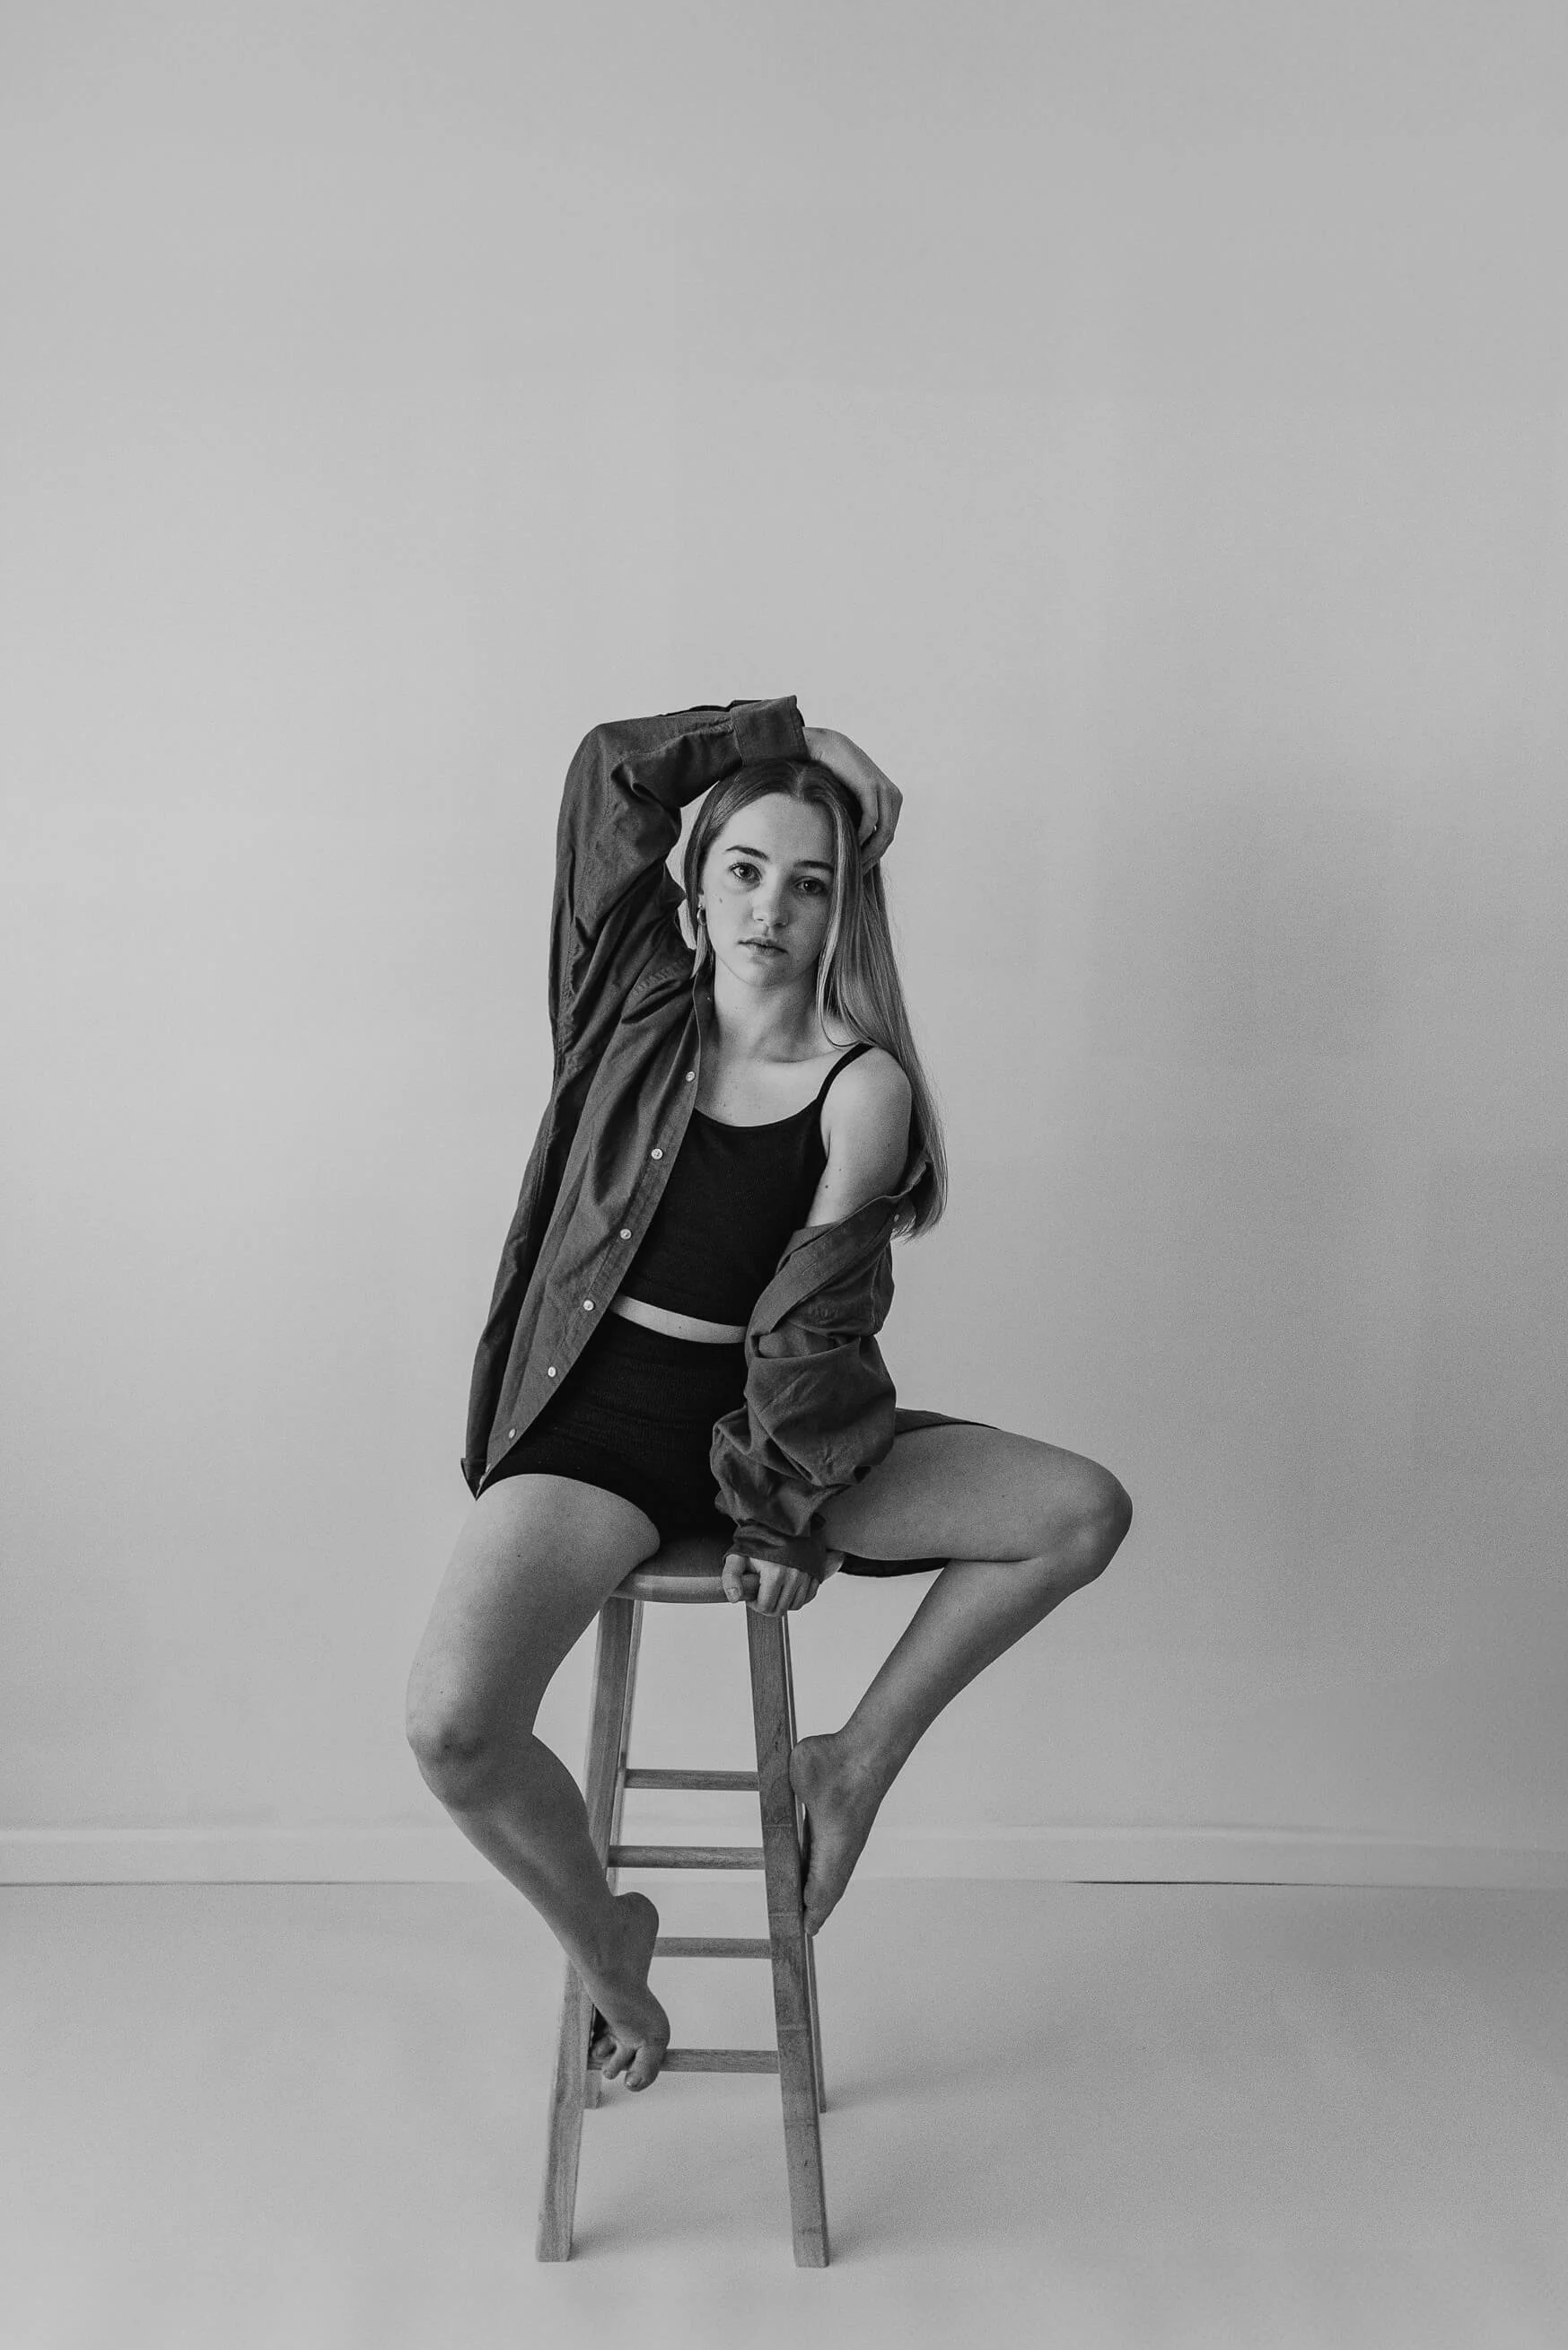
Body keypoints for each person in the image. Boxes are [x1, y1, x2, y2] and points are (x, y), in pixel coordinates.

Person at [406, 698, 1132, 2092]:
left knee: (1079, 1512)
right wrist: (799, 736)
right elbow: (611, 772)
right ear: (695, 884)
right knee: (453, 1730)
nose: (770, 908)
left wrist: (781, 1512)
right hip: (595, 1434)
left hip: (770, 1436)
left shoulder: (862, 1087)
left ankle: (850, 1764)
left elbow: (814, 1324)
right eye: (744, 869)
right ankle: (613, 1949)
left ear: (844, 911)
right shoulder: (625, 1008)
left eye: (811, 883)